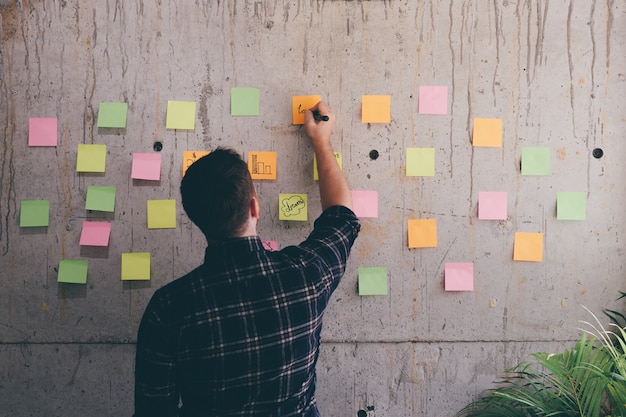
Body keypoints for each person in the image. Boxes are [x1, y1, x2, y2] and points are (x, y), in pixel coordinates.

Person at [134, 101, 360, 416]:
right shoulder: (306, 275)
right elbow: (342, 218)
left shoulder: (169, 307)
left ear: (196, 219)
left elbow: (153, 412)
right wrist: (321, 141)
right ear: (254, 208)